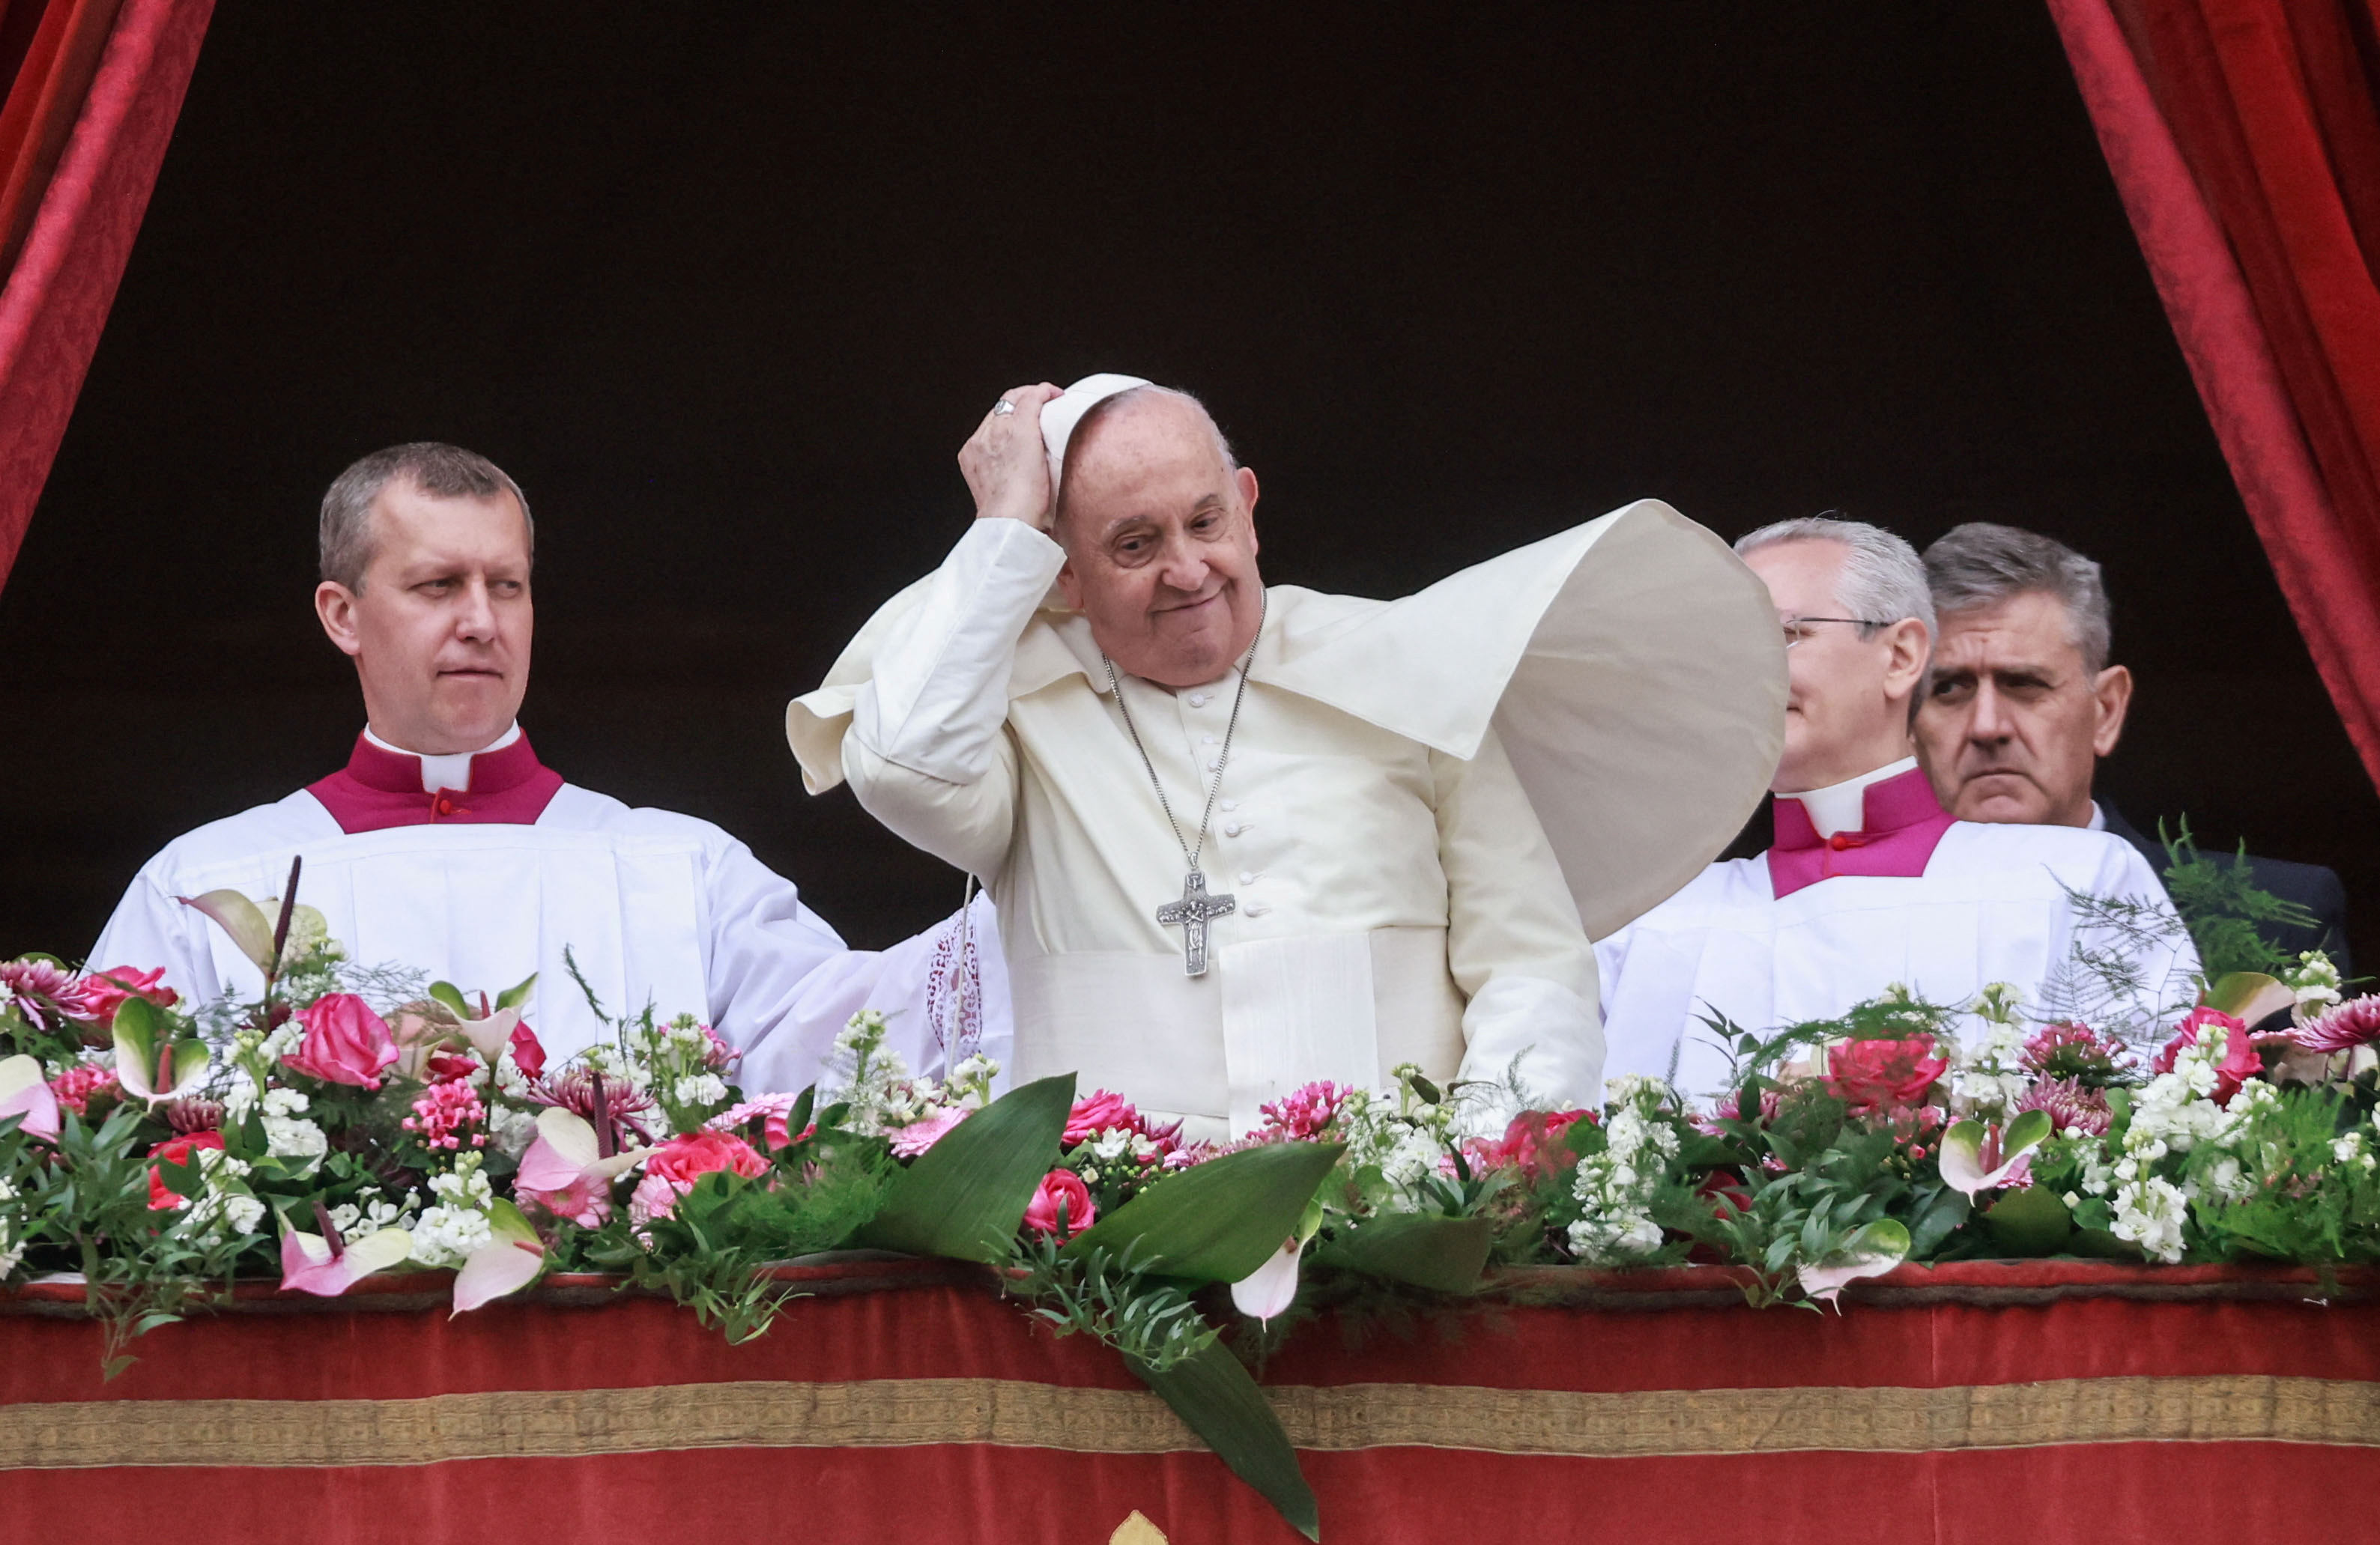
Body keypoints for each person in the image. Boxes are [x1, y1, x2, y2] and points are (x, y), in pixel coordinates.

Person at [787, 375, 1784, 1138]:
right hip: (1117, 1274)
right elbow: (901, 767)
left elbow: (1529, 967)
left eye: (1205, 521)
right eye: (1134, 545)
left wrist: (1474, 1173)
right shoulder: (1020, 723)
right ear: (1064, 579)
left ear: (1249, 507)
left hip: (1397, 1260)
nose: (1188, 569)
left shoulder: (1406, 672)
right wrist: (1005, 527)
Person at [88, 443, 1000, 1090]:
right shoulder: (203, 885)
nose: (481, 622)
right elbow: (105, 1134)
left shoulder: (680, 868)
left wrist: (1034, 898)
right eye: (438, 586)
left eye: (507, 586)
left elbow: (842, 1043)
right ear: (342, 615)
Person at [1596, 517, 2194, 1102]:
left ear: (1902, 655)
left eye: (1784, 635)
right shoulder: (1644, 925)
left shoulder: (2082, 881)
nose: (1749, 671)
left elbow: (2159, 1129)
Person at [1916, 520, 2350, 976]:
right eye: (1949, 689)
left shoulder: (2277, 923)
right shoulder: (1863, 923)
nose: (1987, 727)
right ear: (1906, 725)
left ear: (2106, 710)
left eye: (2024, 684)